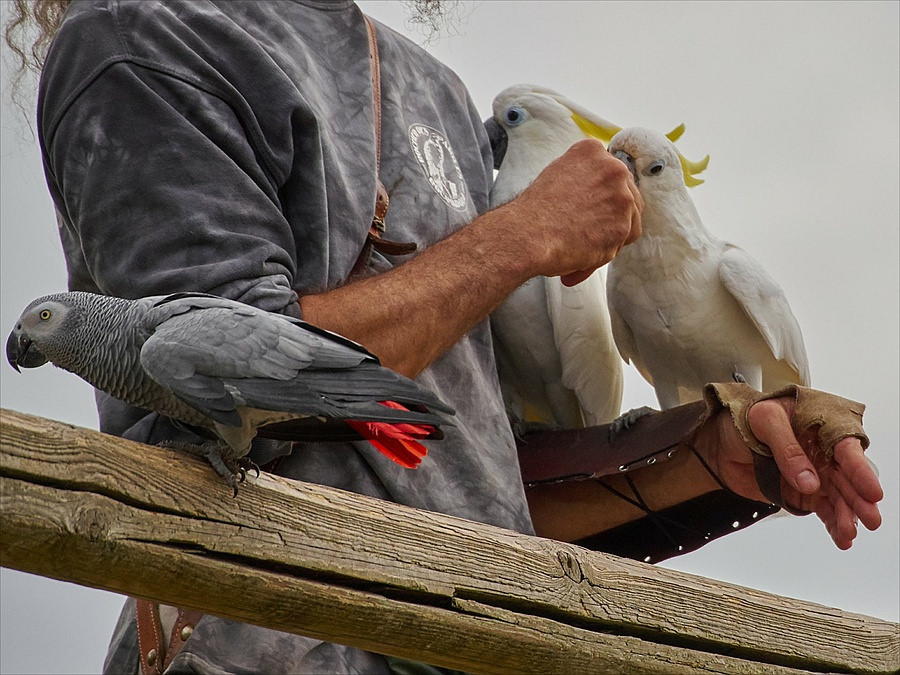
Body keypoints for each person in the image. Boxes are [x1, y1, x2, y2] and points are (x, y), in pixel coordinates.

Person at [4, 1, 883, 673]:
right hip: (266, 647)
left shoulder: (433, 89)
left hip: (468, 640)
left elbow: (475, 478)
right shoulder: (144, 38)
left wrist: (706, 453)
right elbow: (216, 376)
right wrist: (520, 235)